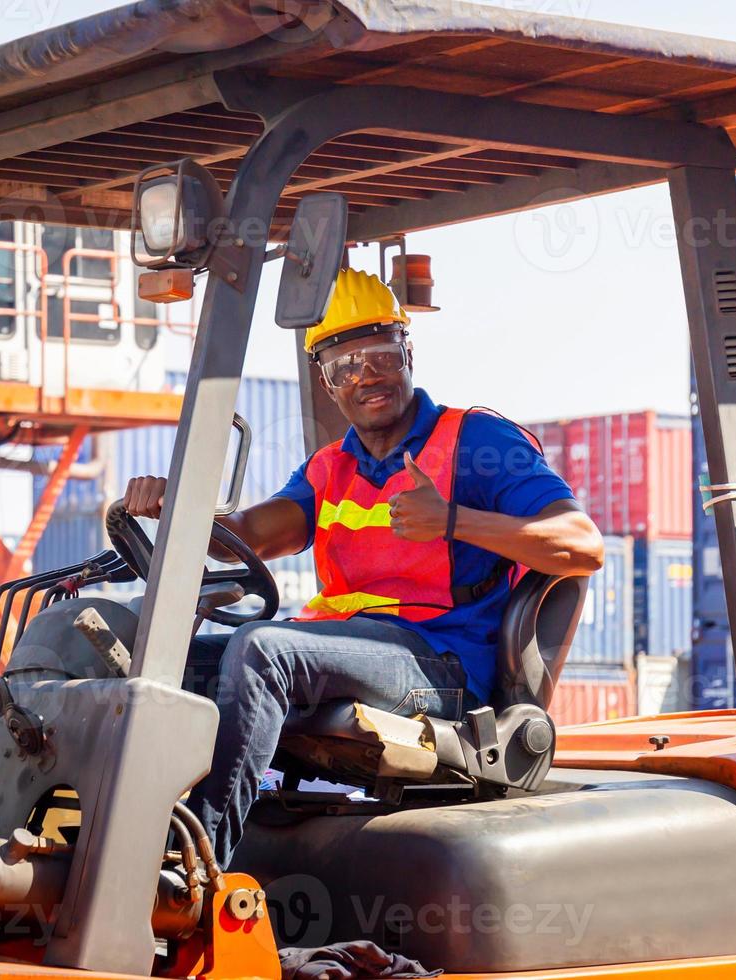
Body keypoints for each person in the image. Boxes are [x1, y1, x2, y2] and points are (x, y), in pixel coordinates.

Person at [120, 269, 603, 865]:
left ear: (407, 353)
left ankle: (191, 870)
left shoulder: (477, 442)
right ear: (327, 382)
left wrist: (450, 520)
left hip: (440, 668)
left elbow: (582, 545)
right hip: (349, 654)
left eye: (378, 355)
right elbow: (244, 537)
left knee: (265, 650)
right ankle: (112, 840)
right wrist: (178, 504)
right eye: (344, 366)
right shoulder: (329, 468)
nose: (364, 375)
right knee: (132, 637)